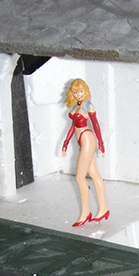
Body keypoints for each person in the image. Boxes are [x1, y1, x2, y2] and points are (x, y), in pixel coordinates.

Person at [62, 78, 110, 227]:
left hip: (87, 139)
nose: (78, 95)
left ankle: (85, 212)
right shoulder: (77, 106)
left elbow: (96, 125)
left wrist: (101, 144)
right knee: (94, 174)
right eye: (75, 92)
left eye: (81, 91)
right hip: (81, 141)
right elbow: (73, 126)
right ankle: (103, 209)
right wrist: (65, 143)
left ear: (86, 91)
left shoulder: (88, 105)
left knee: (79, 177)